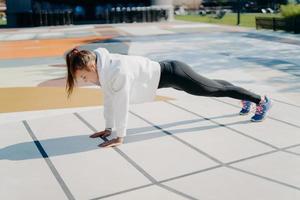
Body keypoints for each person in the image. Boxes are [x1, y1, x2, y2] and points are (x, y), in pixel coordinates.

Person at [65, 47, 272, 148]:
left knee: (212, 89)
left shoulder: (116, 71)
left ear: (92, 66)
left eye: (84, 76)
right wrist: (109, 128)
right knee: (213, 86)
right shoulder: (106, 70)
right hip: (169, 75)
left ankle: (260, 101)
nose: (86, 80)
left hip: (174, 73)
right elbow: (110, 98)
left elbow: (121, 103)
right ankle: (241, 96)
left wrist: (120, 136)